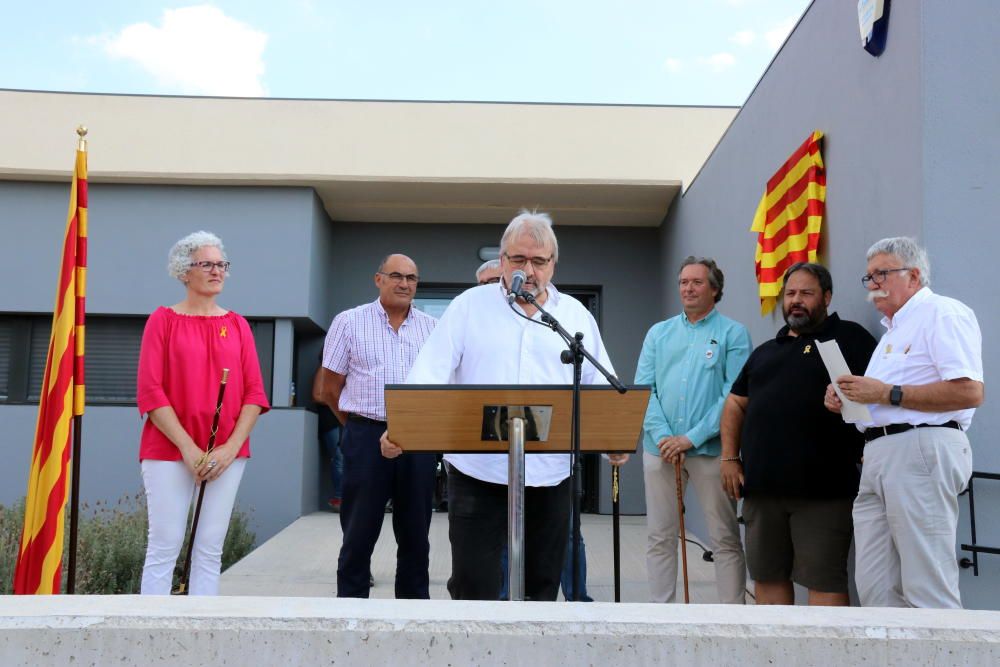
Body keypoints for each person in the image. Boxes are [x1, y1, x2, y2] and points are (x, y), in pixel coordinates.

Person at [381, 210, 628, 601]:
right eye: (518, 259)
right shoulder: (470, 306)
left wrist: (613, 438)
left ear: (553, 264)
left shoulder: (573, 316)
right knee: (473, 586)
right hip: (479, 472)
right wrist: (403, 427)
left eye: (538, 261)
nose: (528, 269)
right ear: (502, 260)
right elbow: (429, 372)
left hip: (550, 475)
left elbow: (600, 385)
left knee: (542, 589)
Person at [827, 237, 983, 608]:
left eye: (881, 274)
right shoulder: (892, 331)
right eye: (868, 278)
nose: (872, 285)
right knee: (876, 589)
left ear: (914, 276)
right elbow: (883, 396)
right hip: (879, 455)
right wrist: (847, 399)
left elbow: (969, 392)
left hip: (921, 448)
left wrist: (885, 393)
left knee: (927, 586)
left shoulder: (942, 313)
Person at [720, 262, 876, 606]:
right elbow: (735, 404)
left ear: (827, 297)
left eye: (806, 293)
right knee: (767, 577)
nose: (796, 301)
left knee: (823, 580)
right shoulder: (765, 352)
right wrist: (730, 458)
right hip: (762, 491)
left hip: (824, 491)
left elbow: (877, 398)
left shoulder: (852, 339)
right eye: (790, 294)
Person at [136, 230, 270, 595]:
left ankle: (201, 633)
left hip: (227, 454)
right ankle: (150, 632)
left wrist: (228, 449)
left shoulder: (238, 325)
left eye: (221, 264)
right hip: (168, 450)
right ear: (184, 272)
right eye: (206, 264)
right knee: (164, 545)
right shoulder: (162, 321)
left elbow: (255, 394)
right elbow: (150, 391)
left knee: (209, 548)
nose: (217, 271)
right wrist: (188, 448)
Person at [320, 253, 437, 599]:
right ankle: (351, 613)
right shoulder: (349, 322)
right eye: (396, 276)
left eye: (412, 278)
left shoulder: (431, 328)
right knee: (359, 533)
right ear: (378, 279)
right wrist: (359, 426)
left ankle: (414, 616)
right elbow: (329, 388)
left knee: (416, 536)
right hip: (365, 436)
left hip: (417, 441)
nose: (404, 284)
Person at [636, 256, 750, 604]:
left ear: (715, 289)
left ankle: (731, 616)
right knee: (660, 536)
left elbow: (733, 395)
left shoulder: (733, 333)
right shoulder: (659, 333)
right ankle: (662, 613)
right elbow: (644, 389)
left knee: (724, 537)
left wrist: (691, 437)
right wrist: (665, 438)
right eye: (684, 281)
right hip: (660, 451)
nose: (688, 288)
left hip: (711, 451)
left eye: (697, 282)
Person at [312, 364, 343, 511]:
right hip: (329, 421)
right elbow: (317, 395)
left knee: (345, 457)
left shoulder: (341, 371)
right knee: (339, 457)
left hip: (342, 420)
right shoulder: (323, 369)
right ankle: (339, 498)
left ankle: (345, 497)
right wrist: (338, 399)